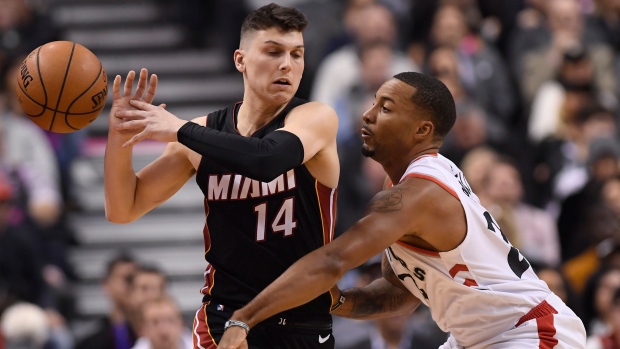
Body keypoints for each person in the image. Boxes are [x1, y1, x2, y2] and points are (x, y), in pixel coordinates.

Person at [217, 72, 587, 349]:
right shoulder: (406, 185)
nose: (368, 114)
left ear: (421, 129)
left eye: (385, 108)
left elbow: (334, 260)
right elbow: (402, 293)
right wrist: (337, 300)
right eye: (374, 102)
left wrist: (244, 318)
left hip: (529, 331)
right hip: (478, 337)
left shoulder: (418, 194)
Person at [105, 3, 340, 348]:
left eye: (297, 54)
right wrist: (119, 136)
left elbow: (267, 160)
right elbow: (123, 208)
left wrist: (179, 129)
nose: (287, 64)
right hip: (223, 315)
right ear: (240, 60)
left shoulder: (314, 118)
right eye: (273, 51)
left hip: (299, 317)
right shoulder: (200, 133)